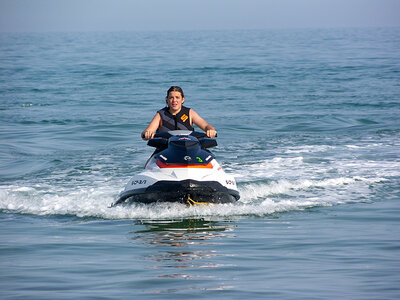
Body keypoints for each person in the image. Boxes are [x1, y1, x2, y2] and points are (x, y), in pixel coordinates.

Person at [141, 86, 216, 140]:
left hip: (189, 148)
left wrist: (210, 130)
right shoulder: (160, 114)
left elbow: (206, 126)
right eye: (171, 98)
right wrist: (147, 133)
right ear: (167, 99)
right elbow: (149, 130)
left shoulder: (189, 113)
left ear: (182, 99)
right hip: (165, 150)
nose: (174, 101)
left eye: (177, 97)